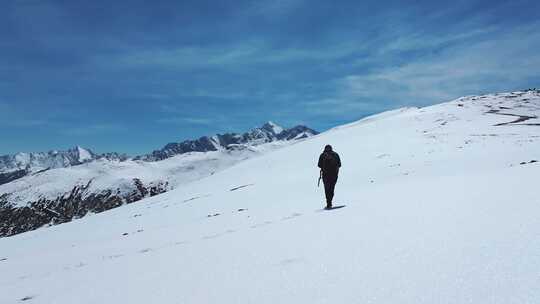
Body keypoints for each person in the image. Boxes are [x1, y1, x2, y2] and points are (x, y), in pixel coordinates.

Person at [318, 145, 341, 209]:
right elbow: (339, 164)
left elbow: (319, 165)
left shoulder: (322, 155)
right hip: (334, 175)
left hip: (325, 175)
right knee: (331, 188)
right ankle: (330, 201)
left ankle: (328, 203)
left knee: (327, 189)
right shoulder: (335, 154)